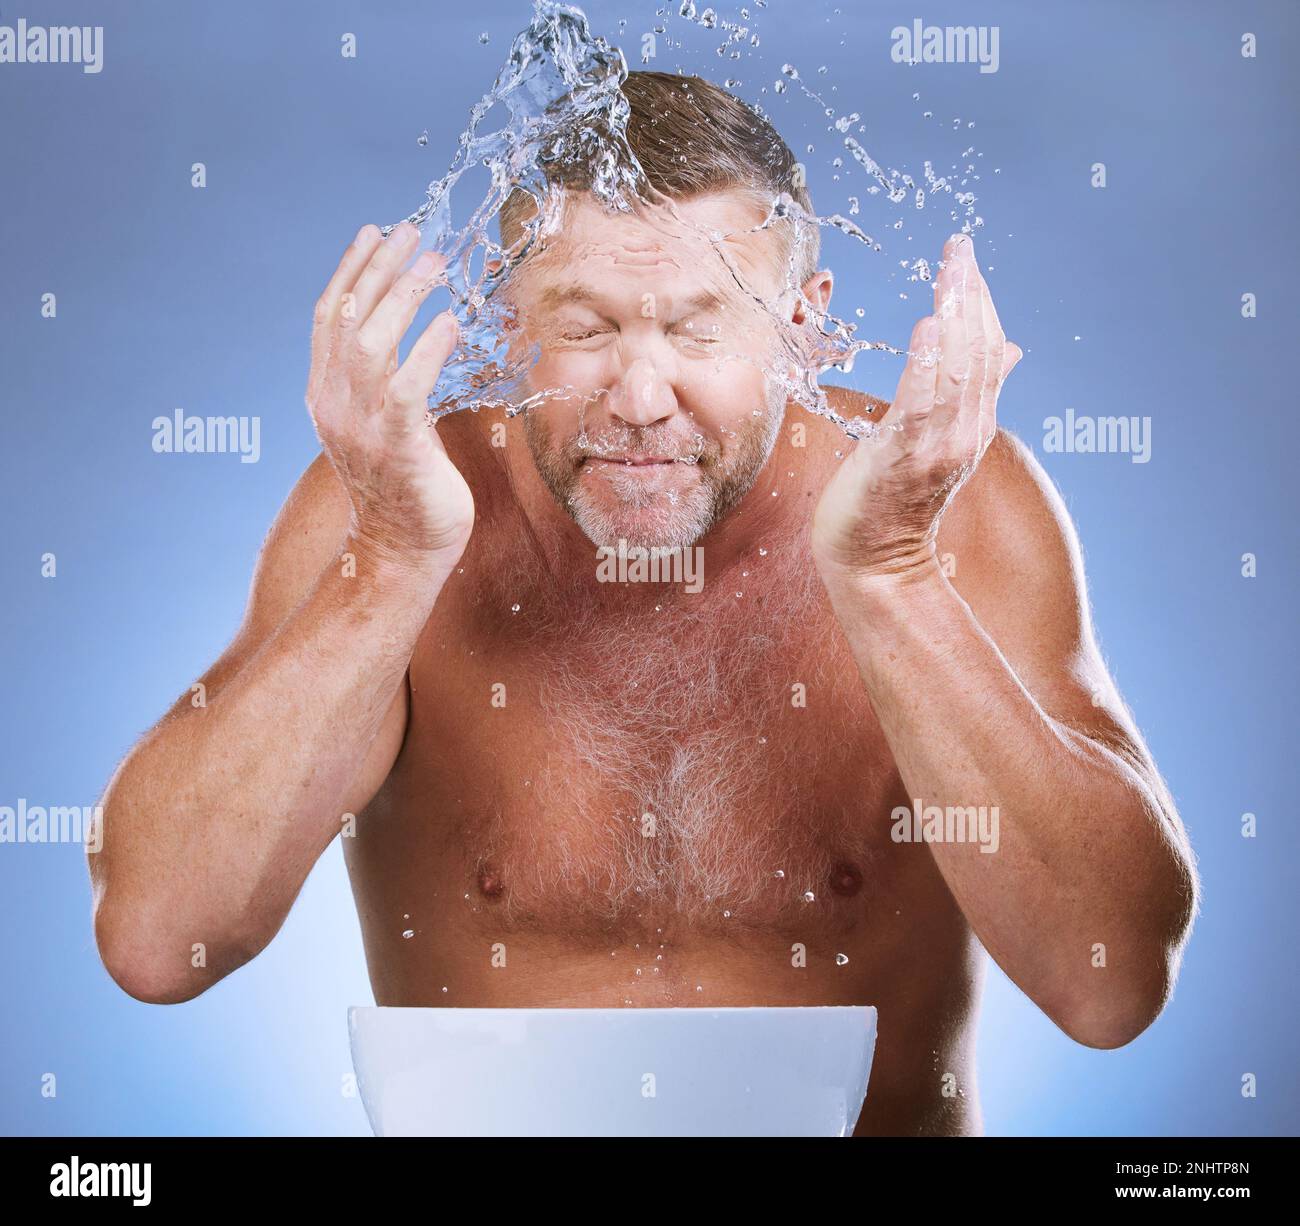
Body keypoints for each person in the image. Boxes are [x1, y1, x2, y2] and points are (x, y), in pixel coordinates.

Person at [89, 72, 1198, 1136]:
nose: (639, 399)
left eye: (701, 329)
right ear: (503, 321)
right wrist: (386, 562)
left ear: (805, 322)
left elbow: (1109, 983)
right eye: (582, 329)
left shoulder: (942, 501)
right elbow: (157, 939)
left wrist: (893, 574)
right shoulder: (391, 499)